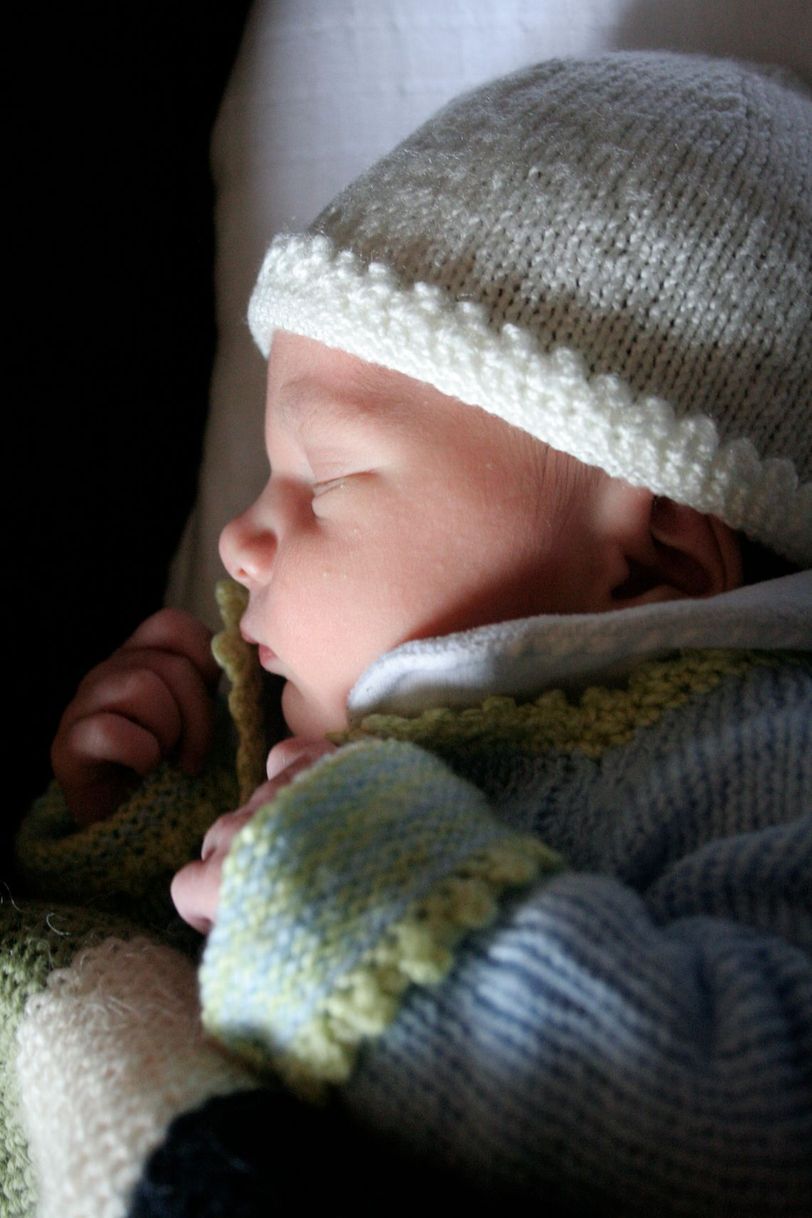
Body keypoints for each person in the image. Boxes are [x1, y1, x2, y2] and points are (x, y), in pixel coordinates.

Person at [12, 51, 812, 1217]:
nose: (238, 539)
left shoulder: (752, 752)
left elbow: (759, 1111)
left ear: (651, 561)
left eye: (323, 476)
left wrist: (360, 891)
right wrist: (159, 832)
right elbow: (229, 1011)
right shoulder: (356, 749)